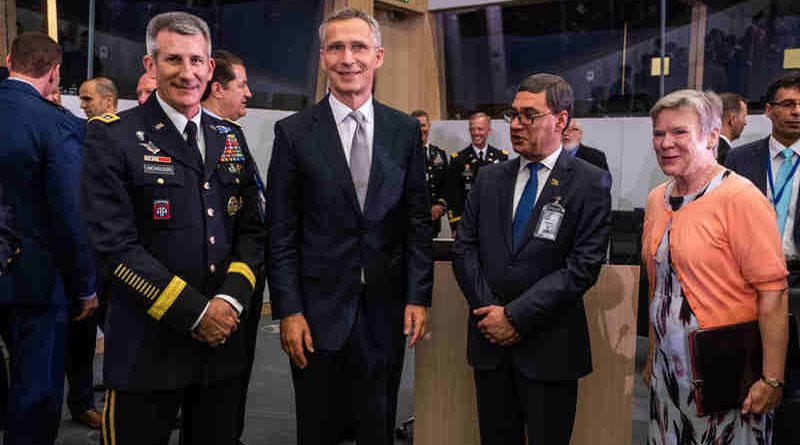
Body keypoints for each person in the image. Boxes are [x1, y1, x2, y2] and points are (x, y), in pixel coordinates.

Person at [81, 12, 266, 445]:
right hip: (147, 348)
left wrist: (229, 303)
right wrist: (196, 313)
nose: (188, 73)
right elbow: (113, 244)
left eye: (197, 61)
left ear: (209, 67)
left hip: (221, 347)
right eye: (173, 60)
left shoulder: (230, 137)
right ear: (150, 66)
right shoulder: (114, 137)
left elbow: (254, 232)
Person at [267, 8, 432, 445]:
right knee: (317, 430)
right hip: (315, 316)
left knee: (376, 429)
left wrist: (418, 295)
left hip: (385, 312)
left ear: (378, 56)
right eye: (336, 47)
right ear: (323, 57)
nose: (348, 57)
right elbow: (280, 231)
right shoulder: (294, 133)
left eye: (358, 46)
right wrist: (288, 309)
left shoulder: (403, 131)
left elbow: (416, 220)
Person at [451, 73, 612, 445]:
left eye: (529, 115)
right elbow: (464, 249)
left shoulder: (590, 182)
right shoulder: (489, 179)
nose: (517, 125)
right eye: (513, 115)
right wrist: (489, 310)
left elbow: (582, 266)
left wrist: (515, 316)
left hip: (550, 347)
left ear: (561, 119)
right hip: (490, 344)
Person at [643, 89, 788, 445]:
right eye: (659, 133)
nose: (665, 143)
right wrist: (650, 355)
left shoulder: (740, 197)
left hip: (726, 371)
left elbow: (773, 293)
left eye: (679, 132)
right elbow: (658, 285)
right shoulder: (656, 199)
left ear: (710, 137)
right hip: (668, 371)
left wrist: (772, 378)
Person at [0, 32, 98, 445]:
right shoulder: (57, 125)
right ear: (55, 74)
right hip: (35, 280)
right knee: (35, 390)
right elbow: (69, 214)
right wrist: (86, 286)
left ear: (8, 60)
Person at [201, 48, 264, 445]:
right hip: (216, 281)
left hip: (246, 269)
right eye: (241, 85)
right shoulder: (201, 134)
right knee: (218, 377)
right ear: (218, 88)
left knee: (238, 367)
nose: (249, 93)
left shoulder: (232, 133)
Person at [726, 75, 800, 285]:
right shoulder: (739, 158)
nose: (797, 111)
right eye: (788, 104)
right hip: (746, 274)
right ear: (768, 110)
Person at [446, 112, 508, 232]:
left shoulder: (501, 157)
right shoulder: (458, 159)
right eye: (472, 129)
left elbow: (505, 193)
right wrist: (455, 224)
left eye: (480, 129)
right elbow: (453, 195)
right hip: (468, 222)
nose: (476, 133)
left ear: (488, 130)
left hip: (494, 221)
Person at [411, 109, 448, 238]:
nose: (421, 130)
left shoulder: (439, 154)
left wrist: (440, 205)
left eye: (423, 125)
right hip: (411, 220)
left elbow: (446, 184)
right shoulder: (405, 153)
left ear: (429, 126)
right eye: (417, 126)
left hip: (433, 220)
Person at [717, 92, 748, 164]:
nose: (745, 123)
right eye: (744, 116)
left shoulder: (705, 149)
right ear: (732, 119)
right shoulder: (728, 156)